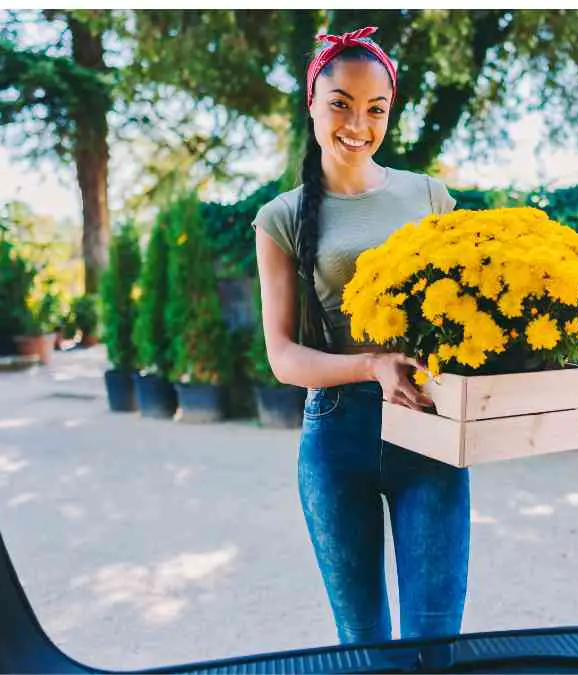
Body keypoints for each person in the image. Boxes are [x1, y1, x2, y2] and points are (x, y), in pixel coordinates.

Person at [251, 26, 470, 646]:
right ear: (312, 105)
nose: (358, 123)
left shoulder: (428, 196)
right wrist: (372, 365)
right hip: (337, 437)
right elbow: (283, 357)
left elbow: (468, 312)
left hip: (427, 430)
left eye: (376, 109)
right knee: (364, 643)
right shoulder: (281, 217)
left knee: (435, 643)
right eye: (341, 103)